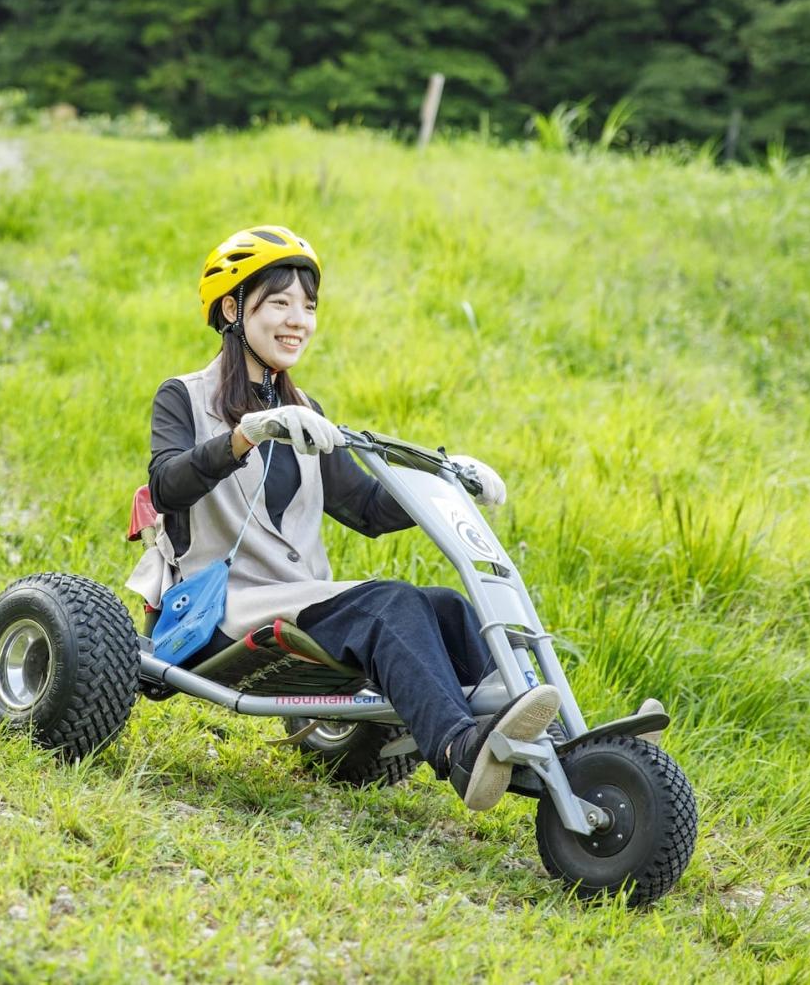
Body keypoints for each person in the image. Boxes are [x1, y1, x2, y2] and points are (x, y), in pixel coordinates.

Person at [128, 225, 562, 812]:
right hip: (225, 607)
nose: (297, 320)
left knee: (452, 611)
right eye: (278, 302)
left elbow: (365, 509)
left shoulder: (308, 412)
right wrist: (245, 436)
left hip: (300, 596)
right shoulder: (183, 397)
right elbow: (167, 484)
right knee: (392, 603)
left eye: (307, 306)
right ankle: (460, 749)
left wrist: (444, 479)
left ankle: (550, 752)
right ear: (232, 308)